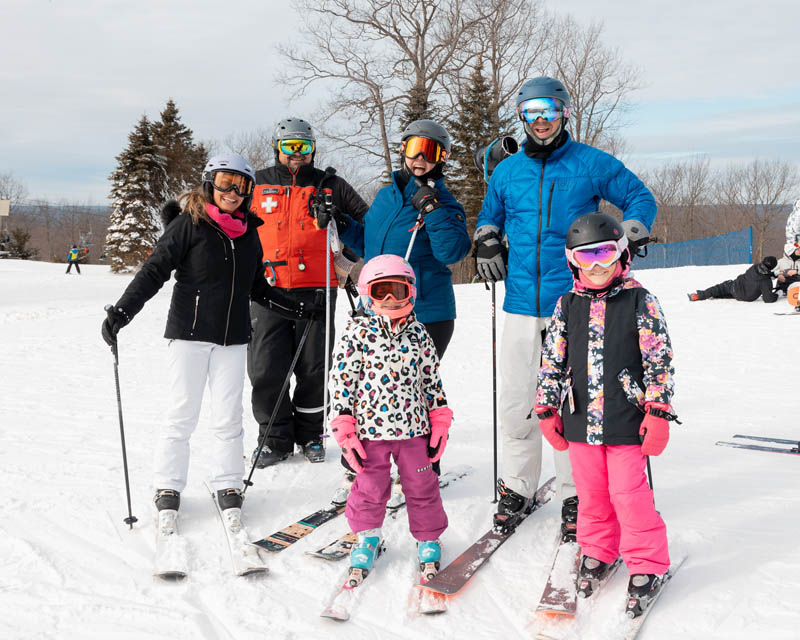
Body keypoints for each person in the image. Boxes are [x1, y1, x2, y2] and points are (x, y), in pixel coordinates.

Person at [472, 76, 657, 537]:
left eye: (548, 110)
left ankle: (578, 493)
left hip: (576, 303)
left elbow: (640, 197)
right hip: (518, 301)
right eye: (531, 111)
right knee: (517, 399)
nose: (540, 120)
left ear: (565, 113)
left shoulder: (590, 163)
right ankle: (517, 486)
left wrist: (630, 230)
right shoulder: (506, 171)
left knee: (572, 400)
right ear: (521, 115)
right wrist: (487, 238)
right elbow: (489, 214)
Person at [100, 153, 318, 527]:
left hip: (233, 340)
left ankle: (229, 483)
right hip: (189, 336)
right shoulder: (189, 225)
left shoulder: (249, 234)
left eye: (242, 185)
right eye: (225, 183)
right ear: (209, 184)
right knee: (181, 414)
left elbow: (257, 290)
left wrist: (297, 308)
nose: (233, 192)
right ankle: (167, 486)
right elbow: (155, 271)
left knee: (228, 418)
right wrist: (123, 311)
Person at [535, 212, 676, 611]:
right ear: (572, 261)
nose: (596, 267)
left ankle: (647, 561)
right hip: (580, 422)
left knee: (629, 495)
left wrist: (658, 412)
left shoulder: (640, 300)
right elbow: (552, 363)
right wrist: (546, 408)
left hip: (627, 420)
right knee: (592, 495)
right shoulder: (566, 306)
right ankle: (598, 548)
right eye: (585, 258)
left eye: (605, 255)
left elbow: (658, 360)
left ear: (622, 255)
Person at [328, 119, 470, 499]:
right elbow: (369, 241)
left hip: (425, 312)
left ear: (442, 158)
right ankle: (359, 465)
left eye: (432, 151)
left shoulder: (445, 202)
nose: (421, 157)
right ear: (403, 150)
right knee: (366, 390)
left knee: (416, 393)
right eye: (414, 148)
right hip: (376, 309)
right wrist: (340, 222)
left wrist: (434, 208)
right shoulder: (388, 195)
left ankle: (422, 469)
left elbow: (452, 252)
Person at [247, 117, 369, 467]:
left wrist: (343, 231)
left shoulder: (330, 185)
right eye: (290, 147)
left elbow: (371, 225)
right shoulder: (257, 183)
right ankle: (273, 438)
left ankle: (311, 434)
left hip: (318, 289)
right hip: (266, 289)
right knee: (266, 367)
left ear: (313, 149)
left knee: (314, 367)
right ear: (277, 149)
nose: (297, 154)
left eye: (304, 147)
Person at [328, 254, 453, 584]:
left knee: (422, 485)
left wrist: (439, 419)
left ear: (410, 292)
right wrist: (344, 426)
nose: (389, 300)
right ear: (367, 294)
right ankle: (367, 536)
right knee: (370, 487)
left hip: (414, 431)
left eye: (397, 291)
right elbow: (341, 382)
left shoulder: (419, 335)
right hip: (370, 432)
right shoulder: (357, 333)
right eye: (381, 291)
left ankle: (428, 537)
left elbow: (432, 381)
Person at [687, 256, 778, 303]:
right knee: (727, 293)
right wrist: (778, 293)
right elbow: (768, 299)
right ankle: (716, 296)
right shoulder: (766, 281)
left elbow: (762, 273)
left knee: (720, 288)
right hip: (745, 297)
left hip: (735, 287)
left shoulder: (754, 267)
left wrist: (773, 275)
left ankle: (699, 295)